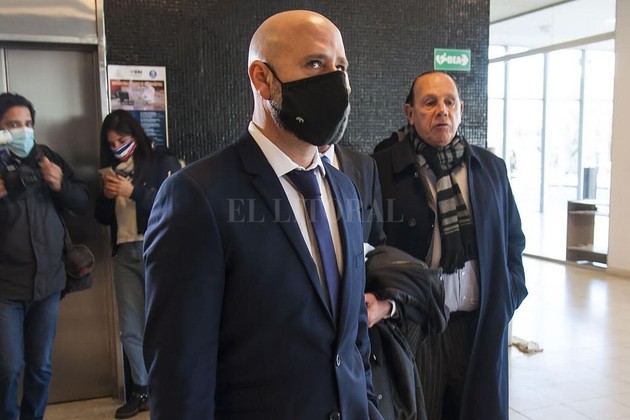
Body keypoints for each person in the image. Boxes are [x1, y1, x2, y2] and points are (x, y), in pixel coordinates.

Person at [143, 10, 383, 420]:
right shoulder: (197, 195)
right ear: (262, 78)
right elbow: (180, 375)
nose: (335, 82)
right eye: (314, 64)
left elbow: (352, 334)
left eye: (340, 67)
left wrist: (368, 404)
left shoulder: (345, 189)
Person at [372, 71, 528, 420]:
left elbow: (513, 241)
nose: (441, 110)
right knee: (418, 411)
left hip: (478, 327)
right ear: (410, 113)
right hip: (417, 328)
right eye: (429, 102)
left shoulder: (490, 169)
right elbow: (370, 248)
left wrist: (508, 296)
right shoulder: (382, 169)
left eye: (449, 102)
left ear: (461, 109)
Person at [0, 92, 89, 419]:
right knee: (8, 367)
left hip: (48, 283)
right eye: (13, 125)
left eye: (27, 123)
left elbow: (82, 202)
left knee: (41, 366)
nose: (23, 130)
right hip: (5, 289)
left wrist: (60, 184)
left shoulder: (47, 157)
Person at [94, 109, 181, 419]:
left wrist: (133, 193)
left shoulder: (160, 160)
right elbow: (101, 217)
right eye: (112, 143)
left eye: (122, 140)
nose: (118, 147)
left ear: (135, 135)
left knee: (164, 323)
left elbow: (173, 203)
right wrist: (107, 197)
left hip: (156, 249)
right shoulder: (112, 169)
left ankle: (169, 387)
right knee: (130, 327)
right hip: (124, 252)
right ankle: (141, 390)